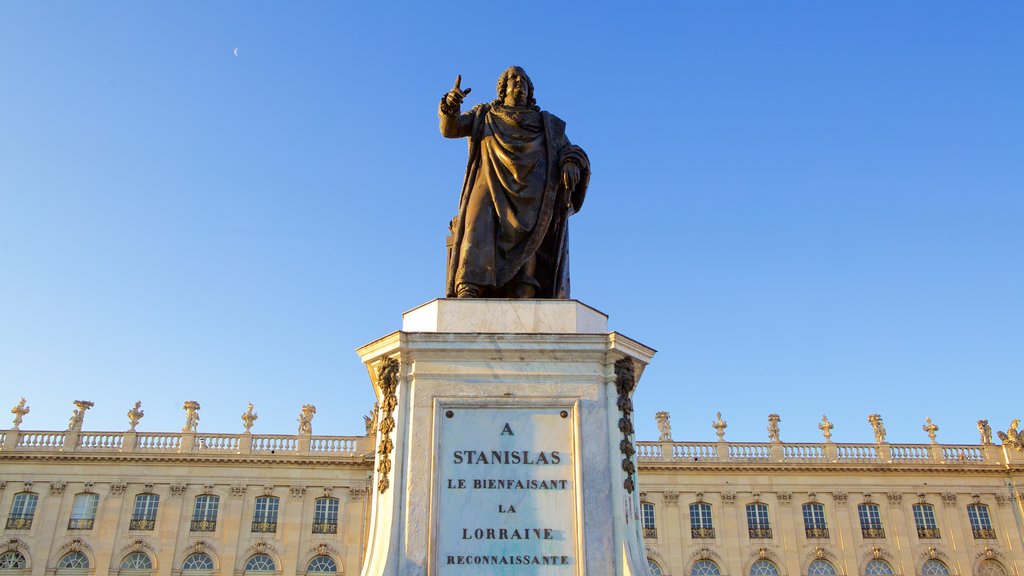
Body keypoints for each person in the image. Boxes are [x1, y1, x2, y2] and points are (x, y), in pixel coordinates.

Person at [440, 66, 589, 299]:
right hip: (489, 179)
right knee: (477, 220)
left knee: (531, 229)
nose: (519, 82)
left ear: (530, 90)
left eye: (524, 80)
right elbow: (452, 128)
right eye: (513, 78)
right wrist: (450, 105)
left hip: (533, 193)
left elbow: (570, 150)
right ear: (503, 88)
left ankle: (524, 287)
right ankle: (469, 285)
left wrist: (572, 162)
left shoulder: (547, 124)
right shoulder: (485, 115)